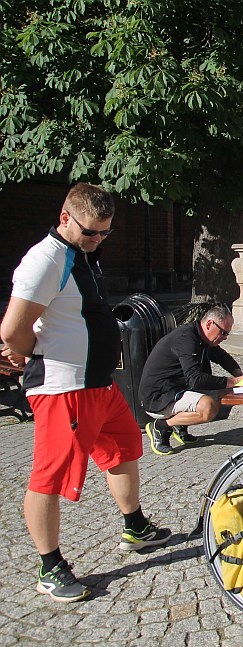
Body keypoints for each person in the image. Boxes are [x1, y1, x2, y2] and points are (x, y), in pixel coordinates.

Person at [1, 183, 171, 603]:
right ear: (64, 218)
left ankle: (135, 528)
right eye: (90, 232)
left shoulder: (81, 257)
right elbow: (12, 329)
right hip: (64, 388)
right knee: (50, 476)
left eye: (105, 233)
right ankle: (50, 566)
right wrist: (24, 354)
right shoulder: (44, 260)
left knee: (125, 447)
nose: (97, 240)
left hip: (97, 384)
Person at [138, 303, 243, 455]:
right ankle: (161, 426)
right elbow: (196, 379)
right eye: (224, 333)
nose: (225, 337)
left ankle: (179, 426)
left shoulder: (201, 336)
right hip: (157, 397)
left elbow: (221, 356)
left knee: (222, 391)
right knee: (208, 407)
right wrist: (234, 382)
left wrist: (239, 374)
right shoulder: (186, 339)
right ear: (209, 324)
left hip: (175, 389)